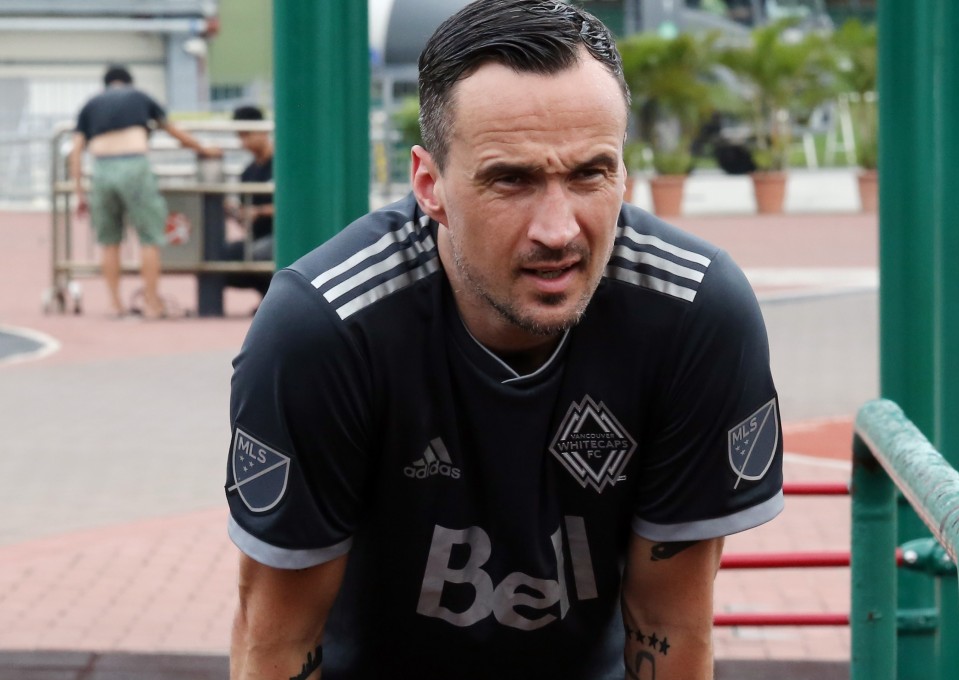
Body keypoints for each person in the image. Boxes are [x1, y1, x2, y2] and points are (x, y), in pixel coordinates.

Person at [225, 2, 783, 678]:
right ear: (429, 185)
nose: (558, 229)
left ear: (623, 173)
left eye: (590, 173)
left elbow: (669, 625)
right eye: (511, 179)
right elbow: (277, 642)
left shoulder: (694, 313)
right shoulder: (324, 331)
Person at [69, 64, 220, 319]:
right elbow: (174, 131)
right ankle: (152, 304)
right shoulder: (139, 97)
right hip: (134, 165)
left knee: (109, 241)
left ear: (106, 84)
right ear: (129, 81)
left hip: (101, 169)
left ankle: (114, 304)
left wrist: (79, 193)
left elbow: (75, 152)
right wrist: (202, 149)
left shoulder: (91, 104)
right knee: (149, 237)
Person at [223, 105, 274, 299]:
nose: (243, 142)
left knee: (257, 253)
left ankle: (273, 298)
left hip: (281, 235)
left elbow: (294, 207)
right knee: (219, 256)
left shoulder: (283, 164)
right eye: (240, 136)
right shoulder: (248, 172)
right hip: (258, 236)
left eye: (247, 135)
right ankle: (267, 297)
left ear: (263, 130)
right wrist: (235, 212)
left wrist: (259, 211)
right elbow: (245, 221)